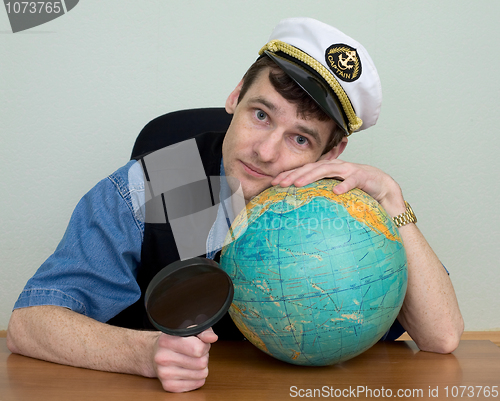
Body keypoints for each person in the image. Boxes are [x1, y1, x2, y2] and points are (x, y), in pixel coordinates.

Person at [6, 18, 463, 393]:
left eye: (299, 138)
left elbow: (441, 337)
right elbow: (30, 323)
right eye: (260, 115)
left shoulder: (344, 212)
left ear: (330, 154)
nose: (265, 152)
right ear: (235, 95)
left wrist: (392, 198)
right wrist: (143, 354)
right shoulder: (159, 183)